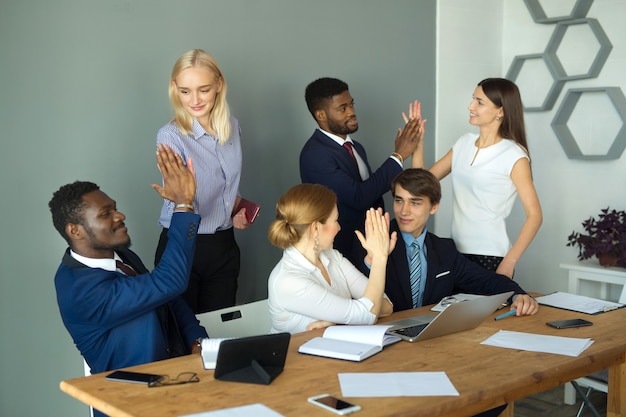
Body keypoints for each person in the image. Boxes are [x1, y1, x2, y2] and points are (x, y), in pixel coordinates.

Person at [50, 145, 207, 417]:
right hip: (132, 405)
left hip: (179, 385)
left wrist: (198, 342)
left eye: (115, 208)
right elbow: (169, 282)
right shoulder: (80, 291)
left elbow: (167, 297)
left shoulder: (122, 256)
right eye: (105, 213)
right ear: (75, 230)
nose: (119, 216)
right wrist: (183, 206)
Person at [379, 168, 538, 417]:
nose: (404, 211)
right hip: (387, 349)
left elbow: (485, 280)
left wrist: (518, 294)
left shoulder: (444, 249)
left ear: (434, 207)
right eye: (399, 200)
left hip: (433, 347)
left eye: (415, 202)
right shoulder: (373, 241)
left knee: (492, 398)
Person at [410, 78, 542, 278]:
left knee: (487, 311)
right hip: (455, 252)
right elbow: (419, 185)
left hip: (491, 256)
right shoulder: (464, 143)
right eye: (473, 99)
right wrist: (418, 143)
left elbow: (535, 216)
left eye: (480, 102)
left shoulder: (514, 155)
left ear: (501, 111)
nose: (470, 106)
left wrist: (510, 261)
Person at [155, 49, 252, 314]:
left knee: (220, 331)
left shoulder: (232, 126)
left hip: (223, 245)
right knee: (185, 339)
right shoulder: (170, 136)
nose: (194, 100)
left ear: (219, 84)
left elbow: (227, 183)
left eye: (203, 90)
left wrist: (235, 209)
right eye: (185, 91)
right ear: (174, 89)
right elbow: (182, 199)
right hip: (184, 245)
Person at [300, 77, 425, 273]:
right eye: (342, 108)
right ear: (321, 115)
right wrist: (399, 155)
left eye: (351, 104)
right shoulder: (315, 155)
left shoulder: (355, 147)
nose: (351, 112)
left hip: (369, 248)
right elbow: (359, 197)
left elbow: (372, 192)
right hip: (342, 252)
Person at [267, 183, 394, 334]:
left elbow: (386, 306)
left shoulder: (332, 256)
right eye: (335, 220)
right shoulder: (288, 280)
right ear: (315, 228)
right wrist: (380, 257)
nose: (339, 228)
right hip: (296, 356)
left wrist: (340, 320)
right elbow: (370, 313)